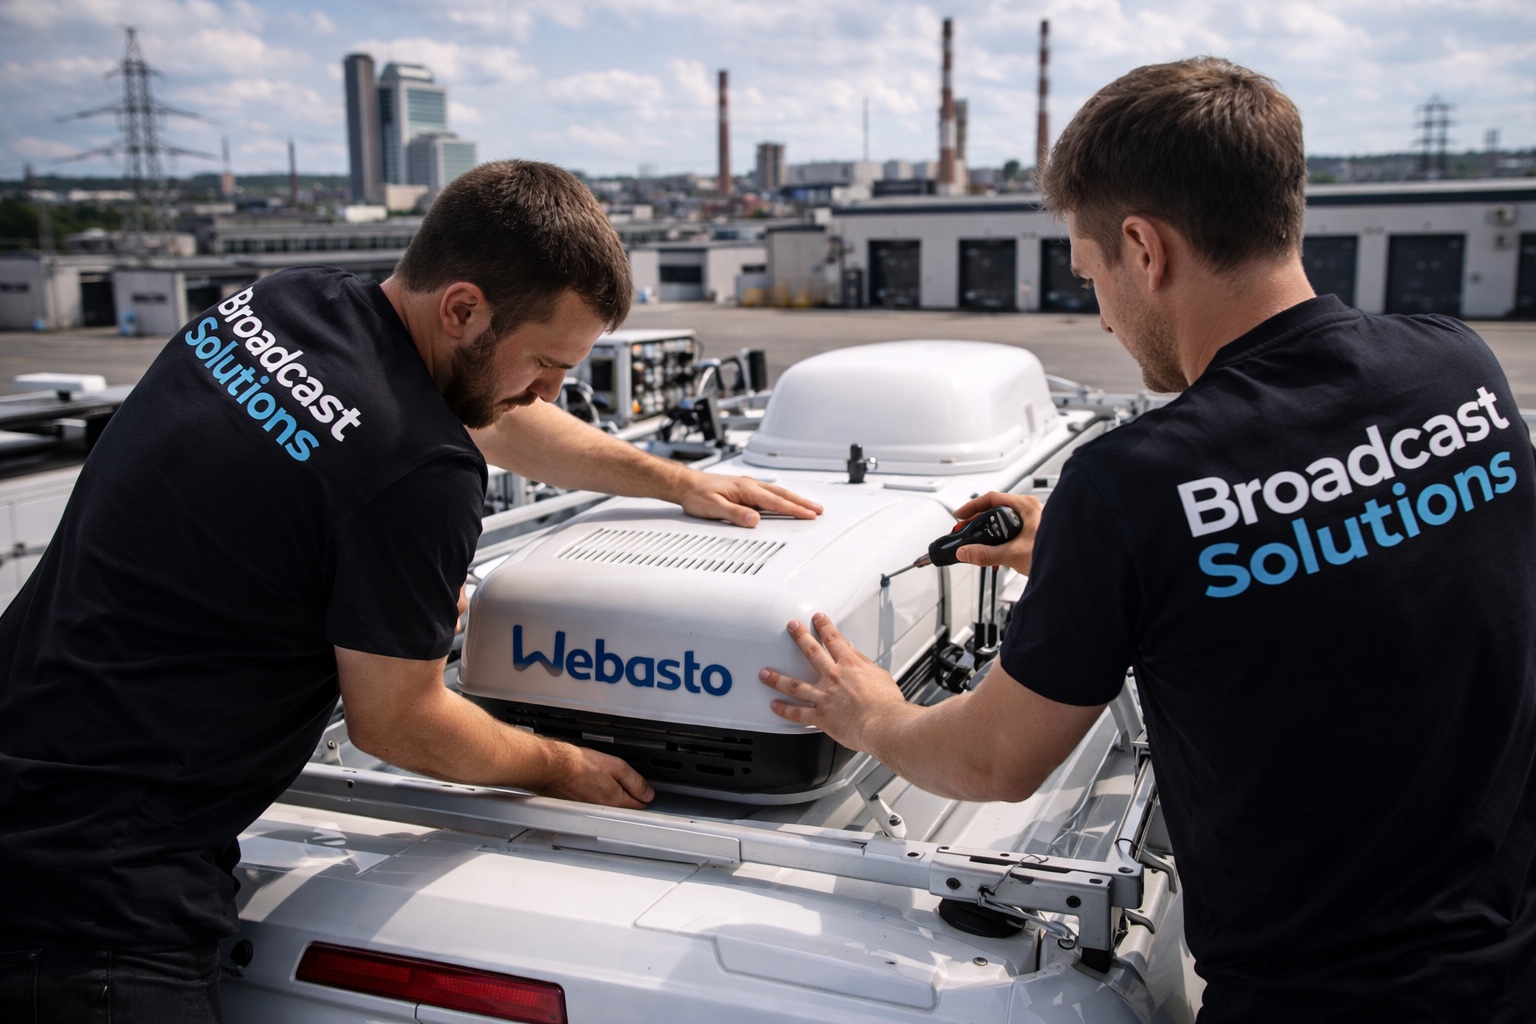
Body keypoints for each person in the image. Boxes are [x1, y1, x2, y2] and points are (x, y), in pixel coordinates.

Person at [759, 58, 1536, 1023]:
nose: (1105, 315)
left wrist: (867, 713)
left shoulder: (1137, 486)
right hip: (1510, 965)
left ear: (1144, 248)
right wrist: (1093, 569)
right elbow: (1356, 561)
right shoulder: (1457, 369)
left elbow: (995, 764)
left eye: (1092, 276)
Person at [0, 160, 820, 1022]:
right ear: (462, 307)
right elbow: (396, 722)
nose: (552, 391)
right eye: (545, 362)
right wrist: (560, 764)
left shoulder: (277, 307)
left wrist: (667, 479)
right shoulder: (418, 473)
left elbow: (472, 414)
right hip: (98, 907)